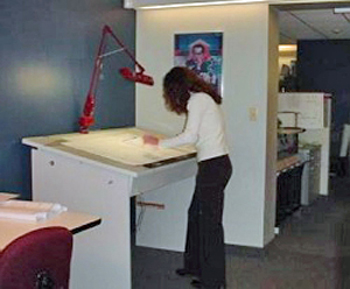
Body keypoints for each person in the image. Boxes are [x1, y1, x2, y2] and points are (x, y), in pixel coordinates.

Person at [143, 67, 232, 289]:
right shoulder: (202, 99)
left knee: (210, 225)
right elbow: (198, 137)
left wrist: (158, 144)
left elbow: (191, 135)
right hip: (214, 165)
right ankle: (194, 265)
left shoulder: (198, 100)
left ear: (176, 88)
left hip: (213, 167)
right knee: (195, 215)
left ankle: (214, 282)